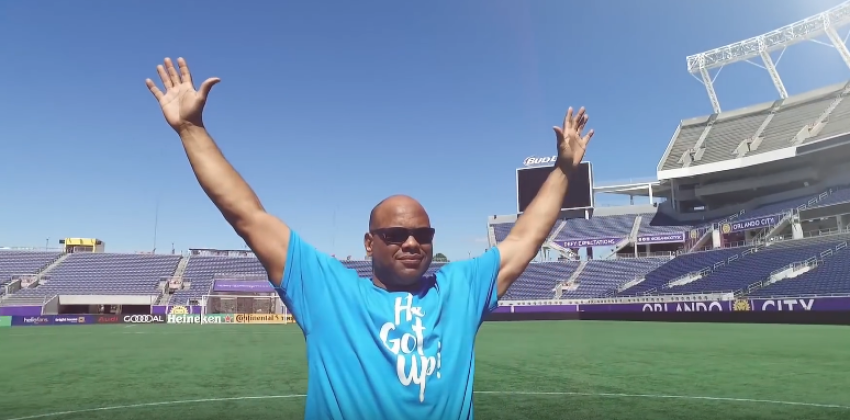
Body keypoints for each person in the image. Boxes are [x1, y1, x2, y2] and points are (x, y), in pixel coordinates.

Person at [145, 57, 594, 420]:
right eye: (396, 234)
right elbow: (247, 215)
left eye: (422, 233)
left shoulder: (459, 289)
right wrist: (191, 130)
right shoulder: (328, 290)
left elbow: (524, 239)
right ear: (369, 243)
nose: (412, 243)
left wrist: (563, 170)